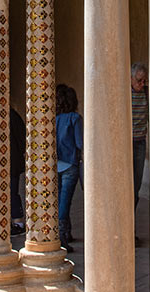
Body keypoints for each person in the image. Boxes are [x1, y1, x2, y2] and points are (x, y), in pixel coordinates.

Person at [55, 84, 83, 251]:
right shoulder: (74, 118)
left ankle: (67, 232)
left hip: (55, 164)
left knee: (58, 200)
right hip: (70, 164)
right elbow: (79, 142)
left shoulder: (53, 118)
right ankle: (61, 237)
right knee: (65, 202)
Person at [130, 63, 148, 244]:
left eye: (144, 81)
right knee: (125, 189)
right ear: (130, 79)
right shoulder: (124, 94)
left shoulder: (147, 94)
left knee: (135, 188)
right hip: (126, 143)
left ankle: (131, 229)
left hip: (140, 143)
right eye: (138, 81)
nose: (141, 84)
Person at [10, 107, 27, 236]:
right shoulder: (13, 115)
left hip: (11, 162)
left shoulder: (10, 115)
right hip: (12, 160)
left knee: (11, 192)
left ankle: (18, 222)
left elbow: (22, 138)